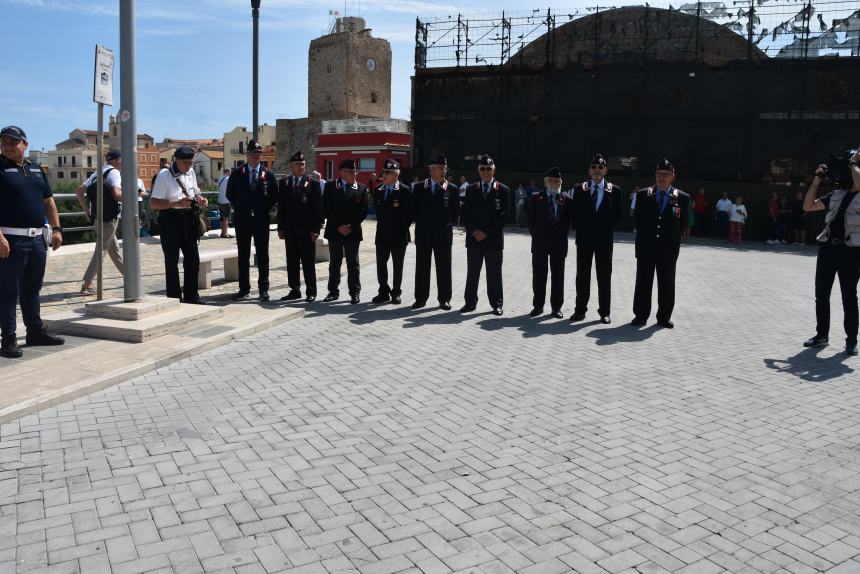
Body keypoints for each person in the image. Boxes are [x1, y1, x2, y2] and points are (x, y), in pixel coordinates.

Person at [0, 125, 64, 359]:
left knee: (32, 290)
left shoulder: (36, 169)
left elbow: (48, 201)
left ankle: (35, 332)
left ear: (24, 144)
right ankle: (7, 340)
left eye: (12, 141)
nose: (7, 145)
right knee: (8, 292)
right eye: (3, 141)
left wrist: (56, 228)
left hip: (37, 239)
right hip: (10, 240)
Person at [801, 151, 860, 356]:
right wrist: (817, 180)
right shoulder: (835, 195)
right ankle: (821, 335)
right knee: (821, 295)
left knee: (849, 298)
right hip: (828, 249)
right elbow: (808, 205)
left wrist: (853, 162)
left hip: (851, 252)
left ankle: (851, 341)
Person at [631, 159, 689, 328]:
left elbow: (683, 223)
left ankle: (664, 317)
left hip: (668, 249)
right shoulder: (643, 194)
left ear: (673, 177)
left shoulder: (682, 198)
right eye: (659, 174)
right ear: (655, 176)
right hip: (646, 247)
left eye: (666, 174)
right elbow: (637, 220)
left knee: (667, 284)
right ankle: (640, 316)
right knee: (643, 282)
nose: (662, 177)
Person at [150, 146, 209, 304]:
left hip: (189, 218)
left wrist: (200, 198)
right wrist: (176, 203)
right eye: (185, 162)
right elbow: (154, 204)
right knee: (171, 261)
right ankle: (174, 298)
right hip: (170, 220)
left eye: (191, 162)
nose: (189, 166)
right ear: (176, 160)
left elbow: (195, 191)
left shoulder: (191, 172)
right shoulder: (164, 175)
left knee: (193, 260)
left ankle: (192, 297)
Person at [569, 154, 622, 324]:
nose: (597, 170)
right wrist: (586, 229)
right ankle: (580, 310)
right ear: (589, 170)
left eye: (600, 167)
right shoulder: (579, 189)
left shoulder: (615, 190)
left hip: (604, 240)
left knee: (604, 276)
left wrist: (601, 229)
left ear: (605, 170)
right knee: (582, 276)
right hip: (584, 239)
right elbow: (574, 214)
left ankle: (604, 312)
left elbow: (616, 216)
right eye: (594, 167)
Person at [226, 141, 277, 302]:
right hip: (243, 220)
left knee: (263, 255)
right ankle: (244, 288)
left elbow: (273, 197)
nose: (256, 156)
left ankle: (263, 289)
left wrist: (261, 210)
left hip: (261, 220)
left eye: (258, 153)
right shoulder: (237, 173)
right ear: (247, 155)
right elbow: (230, 194)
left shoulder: (268, 174)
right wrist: (242, 207)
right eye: (253, 153)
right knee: (243, 255)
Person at [461, 154, 509, 315]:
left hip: (493, 240)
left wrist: (486, 233)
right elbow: (465, 214)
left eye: (489, 168)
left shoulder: (503, 190)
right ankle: (470, 303)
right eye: (483, 169)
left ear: (494, 169)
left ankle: (496, 304)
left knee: (494, 273)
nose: (486, 172)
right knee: (472, 272)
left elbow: (503, 217)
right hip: (474, 239)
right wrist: (475, 231)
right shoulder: (471, 189)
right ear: (478, 170)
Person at [412, 153, 459, 310]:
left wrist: (443, 224)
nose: (441, 171)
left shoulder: (452, 189)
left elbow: (455, 213)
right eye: (437, 168)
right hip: (424, 234)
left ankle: (444, 299)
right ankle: (420, 298)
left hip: (443, 235)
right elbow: (414, 211)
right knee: (422, 267)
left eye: (442, 168)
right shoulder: (419, 187)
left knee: (444, 267)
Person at [75, 149, 123, 295]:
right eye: (121, 160)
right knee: (101, 250)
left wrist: (86, 211)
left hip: (98, 217)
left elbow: (79, 191)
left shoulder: (97, 173)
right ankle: (87, 284)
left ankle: (129, 276)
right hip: (109, 218)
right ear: (117, 160)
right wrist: (132, 194)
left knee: (113, 249)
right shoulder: (114, 173)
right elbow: (116, 194)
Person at [276, 151, 322, 302]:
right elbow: (281, 208)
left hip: (307, 231)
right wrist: (280, 228)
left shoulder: (312, 183)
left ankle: (311, 291)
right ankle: (294, 289)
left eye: (302, 164)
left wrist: (316, 229)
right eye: (297, 164)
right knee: (292, 261)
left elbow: (318, 209)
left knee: (308, 262)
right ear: (291, 166)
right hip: (290, 230)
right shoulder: (284, 183)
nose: (300, 166)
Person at [527, 167, 572, 318]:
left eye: (558, 181)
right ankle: (538, 306)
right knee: (539, 275)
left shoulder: (566, 200)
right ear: (546, 182)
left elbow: (569, 222)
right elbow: (530, 221)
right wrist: (538, 237)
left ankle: (556, 307)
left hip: (559, 244)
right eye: (552, 181)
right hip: (540, 243)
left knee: (558, 276)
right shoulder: (535, 197)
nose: (555, 184)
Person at [323, 159, 368, 304]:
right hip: (335, 231)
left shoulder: (361, 188)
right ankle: (333, 291)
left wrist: (350, 226)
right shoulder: (330, 186)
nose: (353, 174)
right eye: (349, 172)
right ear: (341, 173)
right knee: (334, 263)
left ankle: (355, 292)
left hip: (352, 232)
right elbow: (326, 209)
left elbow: (363, 211)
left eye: (354, 171)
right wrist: (339, 226)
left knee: (353, 263)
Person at [372, 159, 413, 305]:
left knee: (397, 265)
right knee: (381, 265)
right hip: (382, 234)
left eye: (388, 172)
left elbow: (409, 215)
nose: (385, 174)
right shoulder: (378, 190)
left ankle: (396, 293)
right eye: (384, 171)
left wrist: (399, 227)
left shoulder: (404, 190)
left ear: (396, 175)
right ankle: (383, 292)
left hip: (398, 235)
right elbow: (378, 212)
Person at [216, 168, 232, 238]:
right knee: (226, 217)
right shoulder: (228, 178)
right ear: (228, 172)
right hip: (226, 200)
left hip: (220, 200)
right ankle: (225, 233)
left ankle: (222, 232)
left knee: (222, 217)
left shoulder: (220, 178)